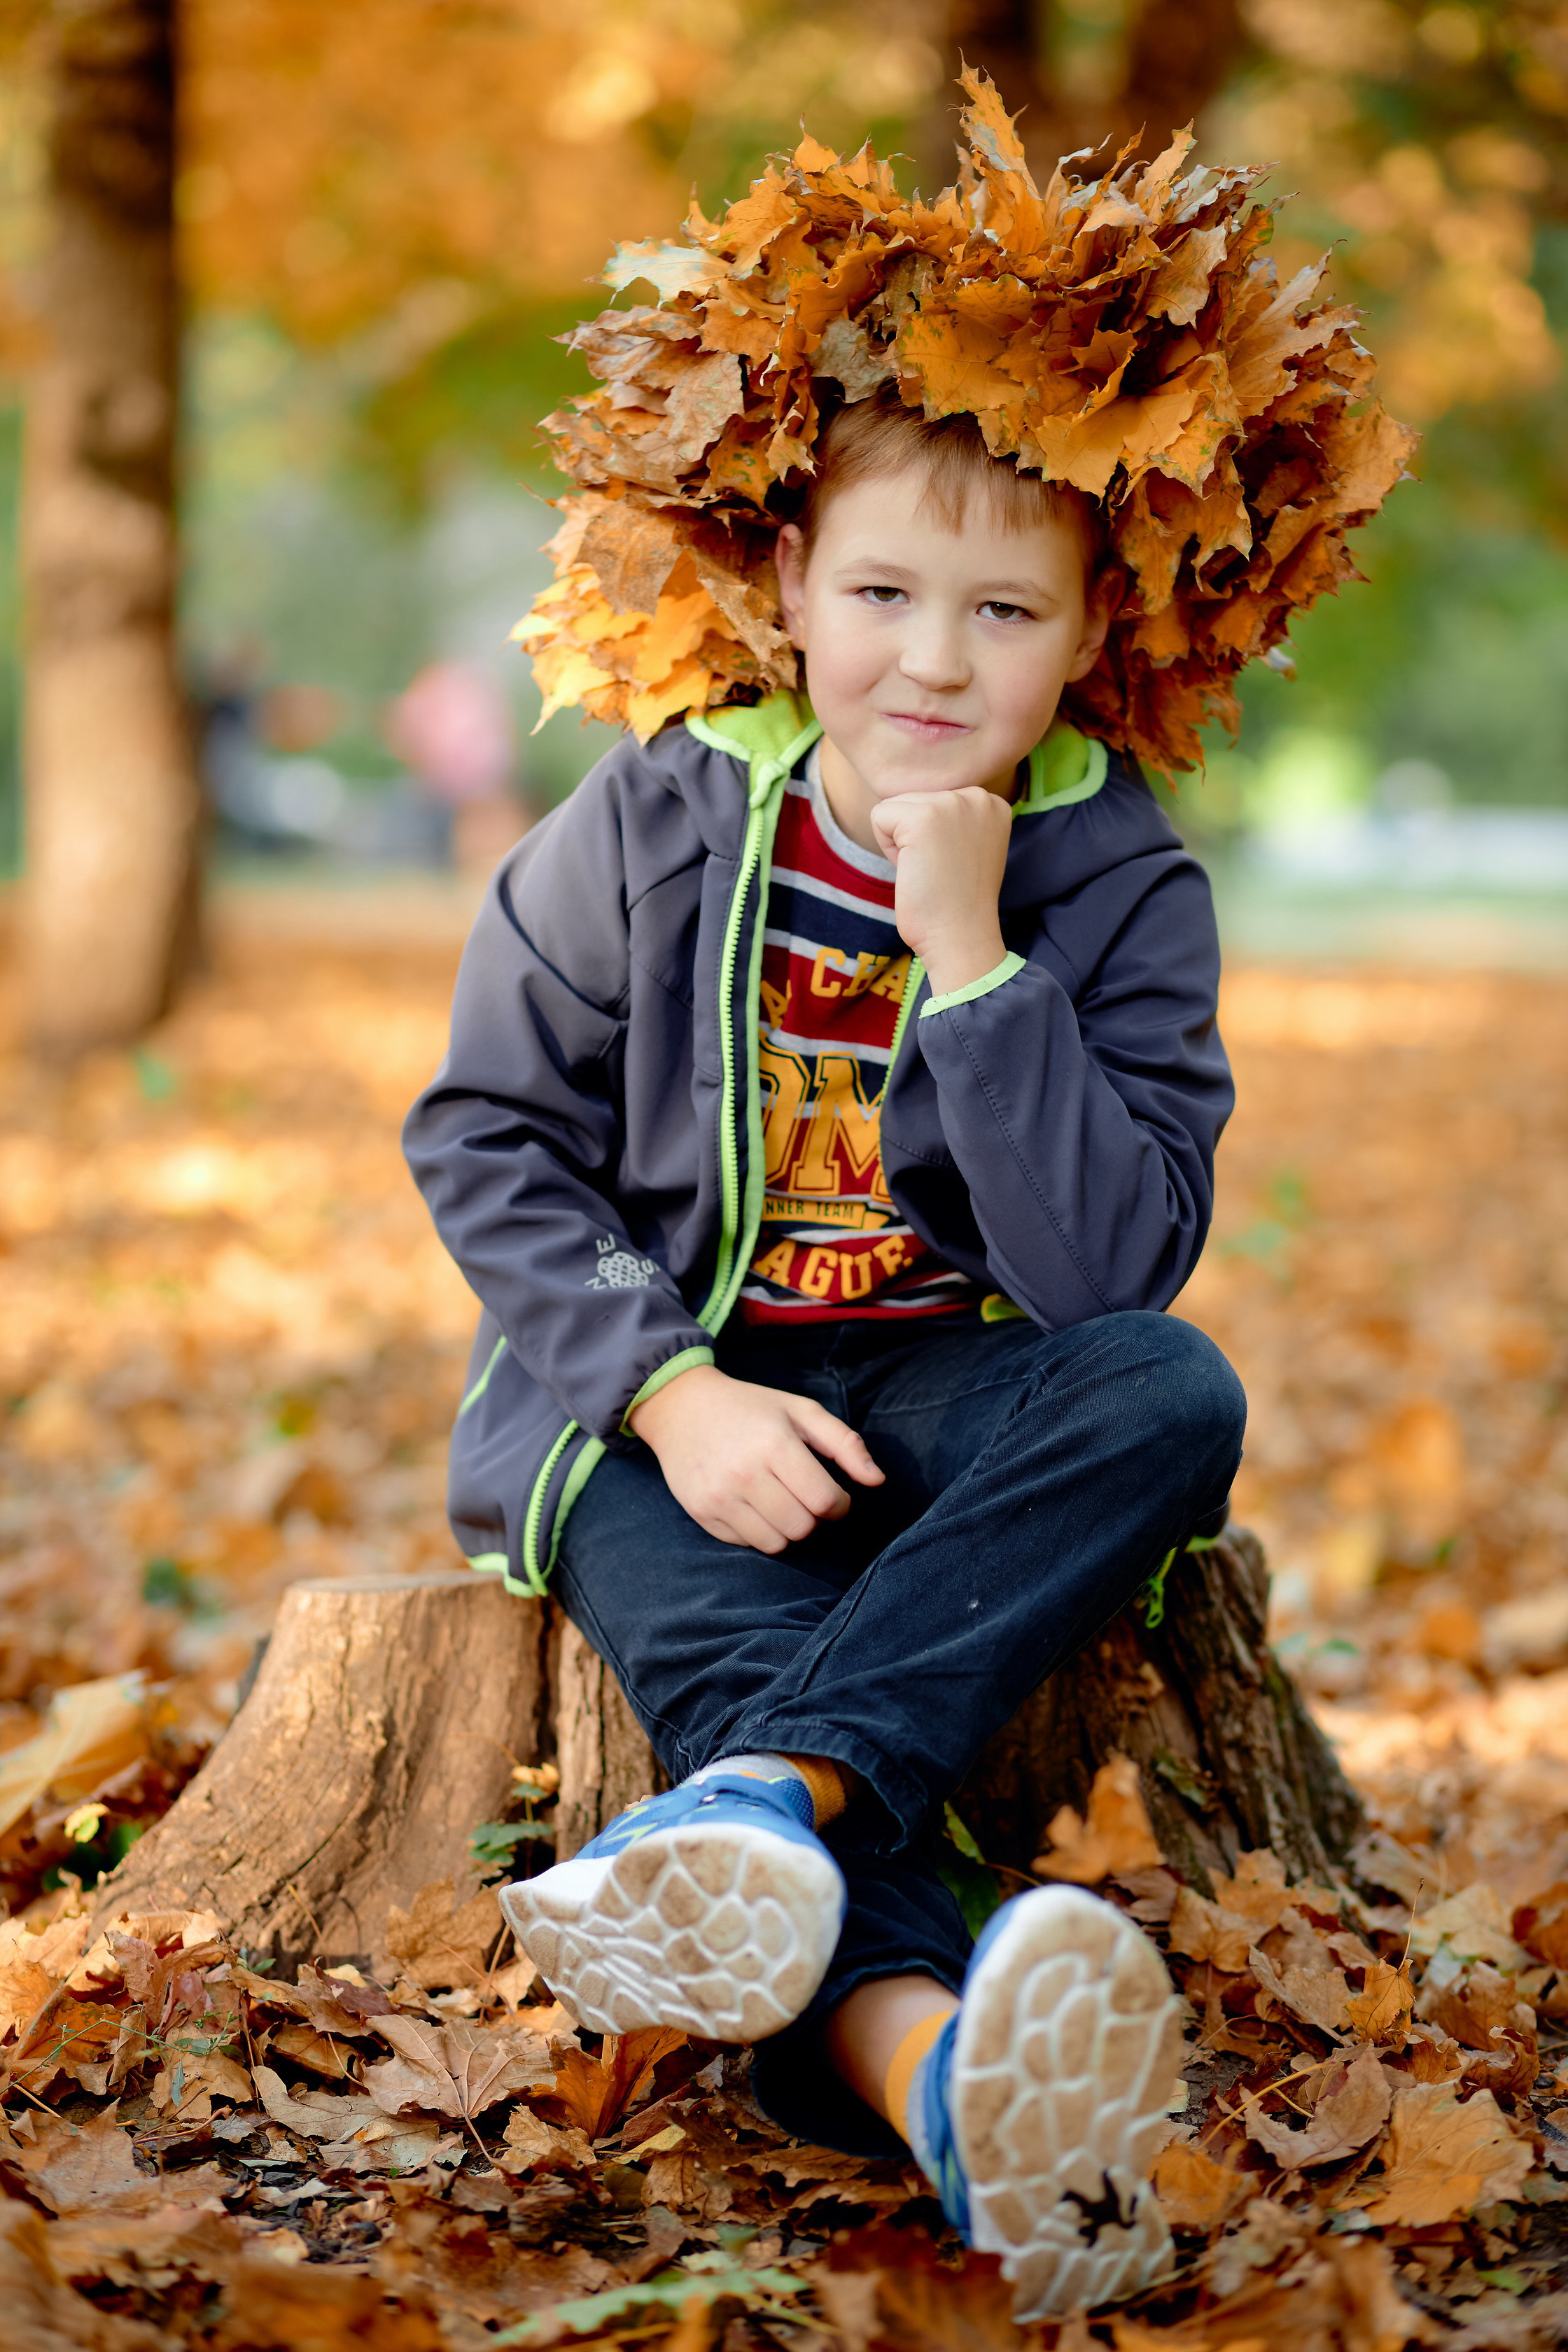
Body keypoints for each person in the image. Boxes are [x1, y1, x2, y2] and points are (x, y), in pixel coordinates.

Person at [404, 77, 1409, 2321]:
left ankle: (766, 1808)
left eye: (1001, 610)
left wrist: (977, 964)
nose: (934, 660)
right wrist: (667, 1397)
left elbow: (1104, 1266)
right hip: (661, 1408)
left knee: (1165, 1392)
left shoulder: (1115, 874)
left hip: (950, 1391)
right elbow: (485, 1129)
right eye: (881, 590)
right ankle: (953, 2073)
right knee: (736, 1638)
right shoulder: (656, 822)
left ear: (1089, 635)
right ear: (782, 580)